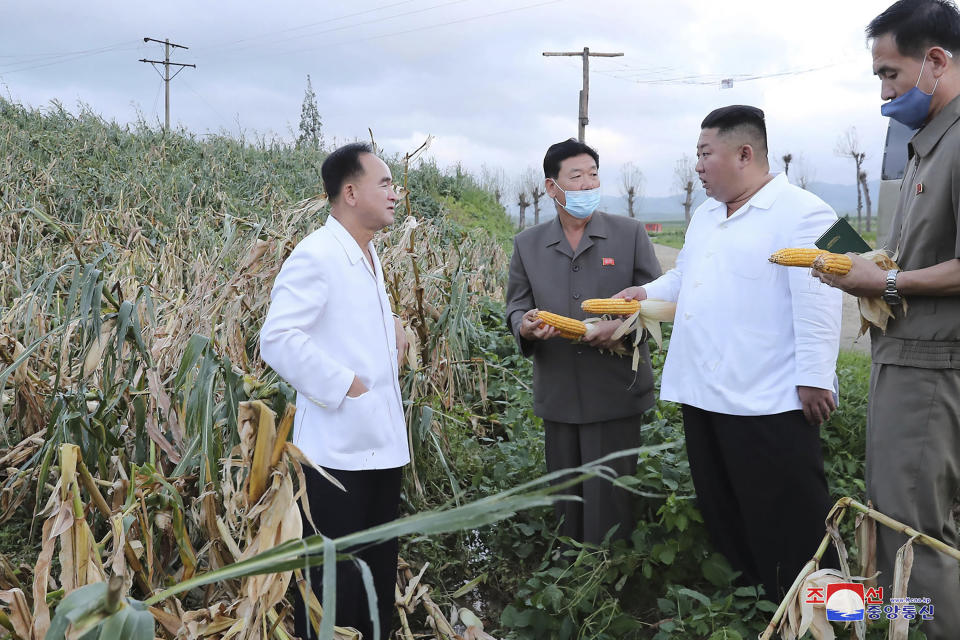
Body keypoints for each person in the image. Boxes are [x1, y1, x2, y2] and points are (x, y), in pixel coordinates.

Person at [616, 106, 842, 600]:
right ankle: (757, 604)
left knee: (787, 515)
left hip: (769, 396)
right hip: (705, 391)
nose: (697, 166)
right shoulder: (706, 215)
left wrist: (815, 376)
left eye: (704, 154)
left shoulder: (808, 211)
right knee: (725, 506)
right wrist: (645, 292)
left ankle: (823, 614)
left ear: (745, 153)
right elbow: (686, 277)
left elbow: (821, 299)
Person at [813, 2, 960, 635]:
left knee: (914, 538)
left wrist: (890, 280)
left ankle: (929, 626)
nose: (884, 91)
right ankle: (900, 620)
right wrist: (869, 271)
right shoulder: (927, 146)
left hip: (932, 367)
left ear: (935, 60)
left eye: (889, 73)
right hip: (905, 361)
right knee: (902, 523)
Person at [260, 142, 409, 640]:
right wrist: (348, 385)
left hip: (380, 447)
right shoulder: (317, 254)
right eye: (384, 183)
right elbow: (278, 340)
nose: (394, 194)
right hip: (337, 459)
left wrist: (393, 339)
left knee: (374, 581)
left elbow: (349, 331)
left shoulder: (367, 256)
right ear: (350, 192)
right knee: (334, 589)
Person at [505, 138, 662, 545]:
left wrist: (622, 326)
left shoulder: (629, 234)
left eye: (593, 175)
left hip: (616, 389)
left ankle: (610, 574)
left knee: (612, 499)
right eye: (576, 176)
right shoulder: (528, 244)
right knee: (567, 498)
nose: (588, 184)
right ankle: (570, 573)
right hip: (559, 389)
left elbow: (657, 299)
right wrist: (525, 325)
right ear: (551, 187)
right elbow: (516, 306)